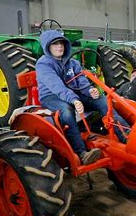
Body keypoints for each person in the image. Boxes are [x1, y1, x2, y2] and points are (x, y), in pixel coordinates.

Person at [36, 30, 130, 165]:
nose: (59, 47)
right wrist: (73, 100)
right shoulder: (44, 64)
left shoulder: (73, 62)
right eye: (55, 44)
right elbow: (56, 86)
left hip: (74, 94)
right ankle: (81, 153)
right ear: (47, 46)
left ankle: (126, 136)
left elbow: (81, 81)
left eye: (61, 43)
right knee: (66, 112)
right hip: (52, 97)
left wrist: (90, 90)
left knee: (103, 101)